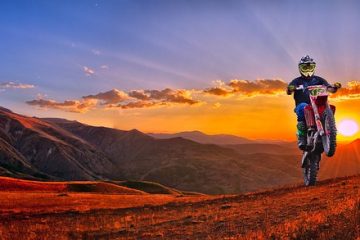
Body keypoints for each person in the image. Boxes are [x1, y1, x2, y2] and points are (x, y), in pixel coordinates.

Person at [287, 55, 341, 150]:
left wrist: (334, 87)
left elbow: (329, 88)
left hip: (318, 103)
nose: (308, 69)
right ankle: (302, 138)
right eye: (305, 67)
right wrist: (291, 88)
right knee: (303, 107)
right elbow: (289, 90)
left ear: (313, 67)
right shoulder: (297, 81)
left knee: (331, 107)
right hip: (303, 104)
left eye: (310, 66)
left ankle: (331, 133)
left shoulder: (319, 79)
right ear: (300, 68)